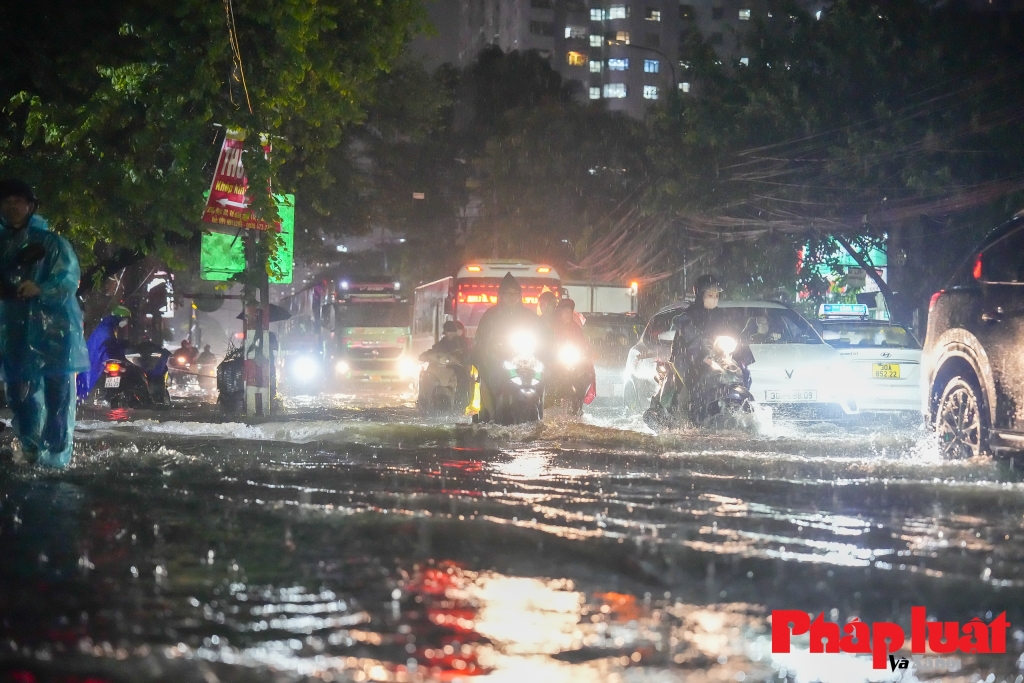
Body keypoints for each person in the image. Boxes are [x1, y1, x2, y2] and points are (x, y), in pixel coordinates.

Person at [0, 179, 89, 467]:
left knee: (56, 396)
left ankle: (56, 457)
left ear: (30, 206)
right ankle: (30, 449)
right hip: (13, 329)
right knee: (18, 393)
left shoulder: (52, 243)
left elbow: (67, 279)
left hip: (54, 331)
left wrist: (42, 289)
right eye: (7, 201)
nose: (12, 206)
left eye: (18, 201)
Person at [471, 273, 541, 422]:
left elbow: (542, 334)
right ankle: (491, 415)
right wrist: (489, 349)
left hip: (523, 359)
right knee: (487, 379)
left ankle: (541, 412)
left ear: (519, 295)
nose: (511, 297)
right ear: (501, 295)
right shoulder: (491, 315)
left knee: (542, 376)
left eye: (515, 293)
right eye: (508, 293)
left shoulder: (529, 315)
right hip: (495, 360)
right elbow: (481, 338)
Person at [78, 304, 131, 400]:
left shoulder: (109, 324)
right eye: (125, 319)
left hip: (98, 356)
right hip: (97, 356)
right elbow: (108, 343)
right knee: (87, 380)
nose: (125, 322)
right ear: (120, 316)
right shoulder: (108, 326)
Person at [421, 320, 473, 408]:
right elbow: (434, 350)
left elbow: (467, 353)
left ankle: (461, 400)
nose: (451, 333)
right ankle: (424, 398)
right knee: (427, 374)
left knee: (463, 377)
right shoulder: (441, 343)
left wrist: (463, 358)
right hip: (441, 367)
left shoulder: (461, 342)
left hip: (456, 367)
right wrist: (425, 355)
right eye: (449, 331)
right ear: (445, 332)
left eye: (453, 331)